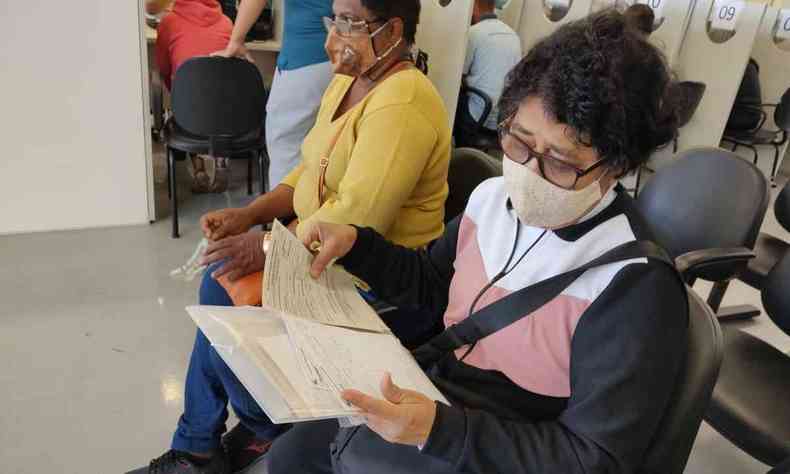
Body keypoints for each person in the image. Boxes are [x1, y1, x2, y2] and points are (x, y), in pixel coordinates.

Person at [264, 10, 687, 474]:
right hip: (439, 388)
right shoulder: (491, 200)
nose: (529, 173)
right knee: (291, 455)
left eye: (561, 163)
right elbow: (432, 283)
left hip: (506, 439)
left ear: (618, 164)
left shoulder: (634, 285)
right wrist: (358, 246)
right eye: (519, 142)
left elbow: (591, 458)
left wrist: (439, 431)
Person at [134, 1, 451, 473]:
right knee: (224, 279)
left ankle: (248, 433)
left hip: (381, 284)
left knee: (226, 286)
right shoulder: (348, 81)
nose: (334, 34)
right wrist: (250, 215)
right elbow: (309, 172)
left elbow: (354, 223)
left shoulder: (403, 102)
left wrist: (261, 245)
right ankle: (204, 443)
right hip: (328, 256)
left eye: (349, 22)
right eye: (334, 18)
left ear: (393, 30)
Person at [214, 0, 335, 190]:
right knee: (333, 151)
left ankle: (285, 218)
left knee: (286, 153)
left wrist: (236, 40)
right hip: (349, 60)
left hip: (304, 60)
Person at [155, 0, 234, 193]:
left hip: (188, 115)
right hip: (224, 117)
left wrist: (175, 92)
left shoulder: (168, 22)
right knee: (217, 99)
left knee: (189, 102)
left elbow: (163, 68)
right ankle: (221, 161)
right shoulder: (227, 23)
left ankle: (199, 171)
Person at [455, 0, 521, 140]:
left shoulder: (474, 33)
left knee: (451, 97)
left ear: (474, 5)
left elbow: (457, 73)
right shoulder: (513, 36)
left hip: (477, 115)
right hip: (502, 119)